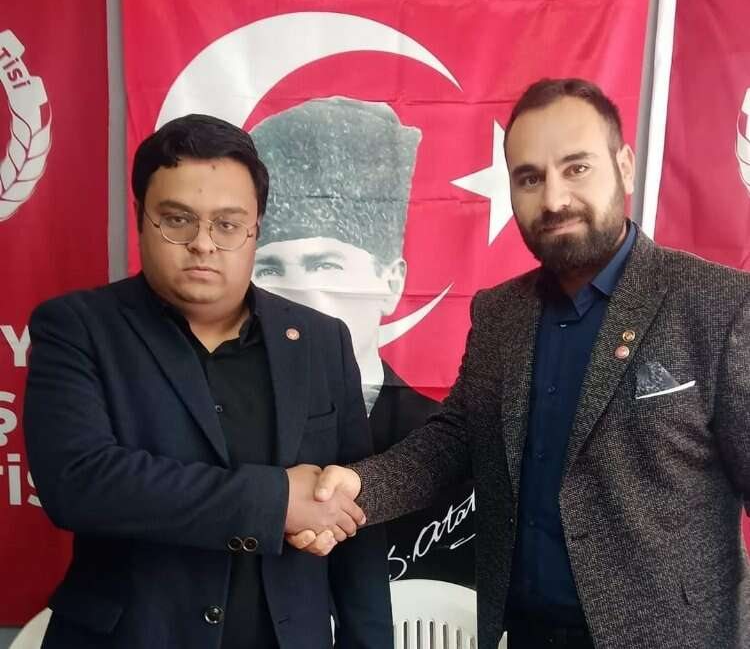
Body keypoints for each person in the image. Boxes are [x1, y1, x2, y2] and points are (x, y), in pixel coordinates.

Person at [289, 79, 750, 649]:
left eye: (576, 168)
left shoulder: (718, 305)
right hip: (523, 633)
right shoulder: (500, 312)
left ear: (625, 167)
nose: (553, 200)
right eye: (530, 178)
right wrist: (358, 488)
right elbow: (455, 441)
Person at [23, 114, 392, 649]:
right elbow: (80, 483)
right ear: (141, 217)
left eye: (227, 224)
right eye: (177, 220)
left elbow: (354, 515)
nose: (202, 243)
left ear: (255, 230)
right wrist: (275, 501)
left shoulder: (320, 340)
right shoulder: (77, 327)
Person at [251, 97, 475, 586]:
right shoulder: (230, 427)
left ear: (390, 283)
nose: (301, 296)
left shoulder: (439, 441)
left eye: (325, 266)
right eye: (269, 269)